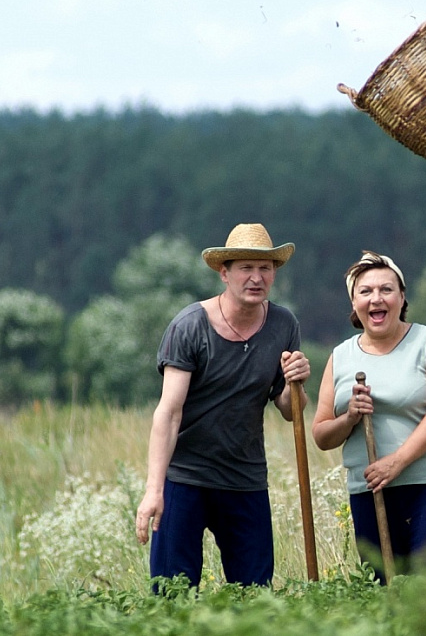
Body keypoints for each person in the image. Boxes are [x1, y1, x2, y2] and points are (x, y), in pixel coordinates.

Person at [134, 223, 311, 588]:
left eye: (265, 268)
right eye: (246, 268)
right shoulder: (190, 326)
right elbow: (169, 412)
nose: (256, 277)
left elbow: (289, 408)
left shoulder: (283, 324)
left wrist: (297, 382)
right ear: (224, 273)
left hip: (245, 479)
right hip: (186, 478)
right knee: (172, 596)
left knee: (255, 597)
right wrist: (154, 489)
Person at [311, 250, 426, 583]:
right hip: (369, 489)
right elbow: (322, 434)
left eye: (386, 289)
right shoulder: (341, 356)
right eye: (365, 292)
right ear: (354, 304)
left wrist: (396, 462)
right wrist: (350, 417)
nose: (375, 299)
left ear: (402, 297)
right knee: (381, 588)